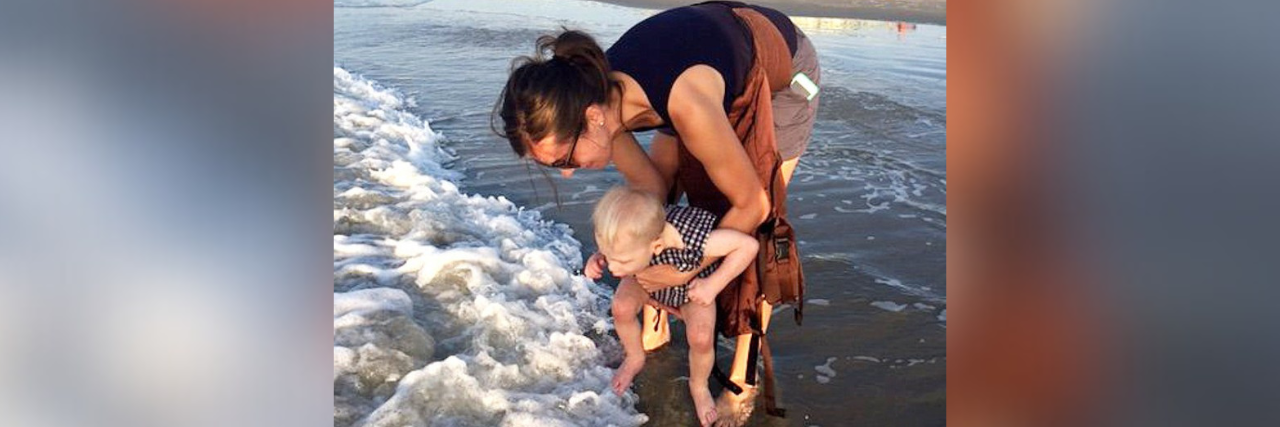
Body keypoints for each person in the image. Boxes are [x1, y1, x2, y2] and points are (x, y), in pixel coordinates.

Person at [493, 1, 820, 424]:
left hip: (781, 73)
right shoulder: (598, 102)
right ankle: (656, 316)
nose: (570, 173)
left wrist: (684, 268)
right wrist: (642, 264)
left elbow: (752, 205)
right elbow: (651, 192)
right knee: (659, 195)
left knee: (755, 214)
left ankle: (744, 371)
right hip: (691, 66)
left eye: (563, 160)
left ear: (592, 118)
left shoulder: (680, 102)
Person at [586, 186, 757, 426]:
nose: (613, 269)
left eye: (621, 261)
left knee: (700, 337)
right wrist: (598, 258)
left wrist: (712, 285)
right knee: (621, 307)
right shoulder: (630, 239)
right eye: (609, 256)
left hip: (691, 287)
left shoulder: (691, 237)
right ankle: (635, 357)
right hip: (646, 279)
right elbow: (615, 250)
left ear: (656, 247)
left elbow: (748, 246)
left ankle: (698, 385)